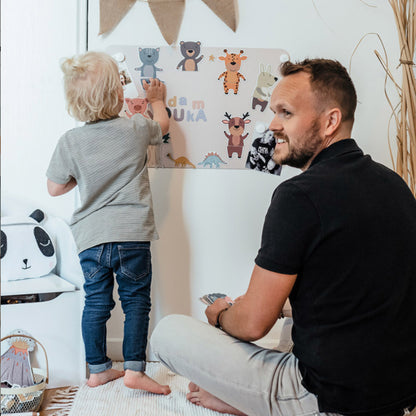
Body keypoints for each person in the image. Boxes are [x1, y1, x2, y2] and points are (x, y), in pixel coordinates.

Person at [150, 58, 416, 415]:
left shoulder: (299, 195)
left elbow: (251, 326)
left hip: (330, 399)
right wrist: (280, 306)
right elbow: (364, 290)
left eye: (286, 113)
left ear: (330, 121)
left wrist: (221, 314)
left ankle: (250, 404)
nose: (272, 125)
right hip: (396, 393)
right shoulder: (394, 184)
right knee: (287, 315)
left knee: (168, 333)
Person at [46, 51, 171, 394]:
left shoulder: (70, 142)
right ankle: (134, 369)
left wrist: (84, 177)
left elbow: (55, 188)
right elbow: (162, 126)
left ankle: (98, 369)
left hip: (90, 238)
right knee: (136, 302)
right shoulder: (134, 128)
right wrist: (157, 100)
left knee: (97, 302)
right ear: (118, 95)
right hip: (131, 233)